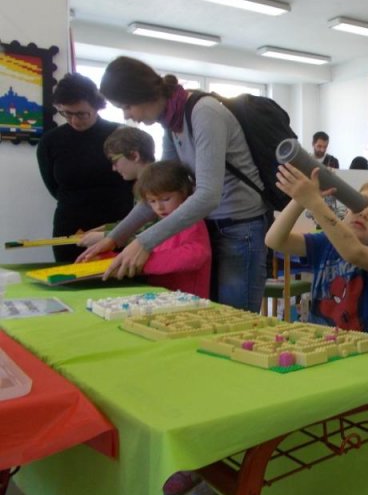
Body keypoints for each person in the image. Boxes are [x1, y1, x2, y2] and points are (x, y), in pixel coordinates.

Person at [77, 57, 269, 314]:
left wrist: (143, 242)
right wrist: (114, 238)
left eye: (127, 106)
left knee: (235, 317)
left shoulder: (204, 113)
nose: (126, 116)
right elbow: (160, 187)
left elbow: (207, 196)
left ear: (141, 95)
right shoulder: (171, 122)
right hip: (215, 224)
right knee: (213, 315)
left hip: (240, 229)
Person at [265, 165, 368, 335]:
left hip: (362, 351)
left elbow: (354, 253)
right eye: (360, 203)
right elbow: (274, 240)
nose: (364, 213)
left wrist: (314, 202)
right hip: (320, 344)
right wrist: (300, 199)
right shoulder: (326, 242)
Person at [36, 73, 133, 262]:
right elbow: (54, 187)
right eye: (67, 113)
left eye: (81, 113)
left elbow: (137, 182)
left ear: (97, 106)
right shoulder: (50, 141)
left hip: (116, 225)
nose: (74, 120)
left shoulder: (120, 135)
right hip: (69, 228)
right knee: (69, 285)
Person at [134, 160, 212, 298]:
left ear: (182, 193)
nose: (159, 207)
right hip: (165, 298)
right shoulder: (161, 224)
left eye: (165, 199)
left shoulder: (192, 222)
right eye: (152, 201)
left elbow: (197, 255)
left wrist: (146, 263)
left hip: (188, 302)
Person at [77, 126, 157, 249]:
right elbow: (139, 223)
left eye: (114, 161)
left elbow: (156, 232)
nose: (114, 168)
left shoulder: (158, 185)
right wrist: (107, 228)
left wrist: (106, 237)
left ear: (134, 156)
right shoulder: (142, 184)